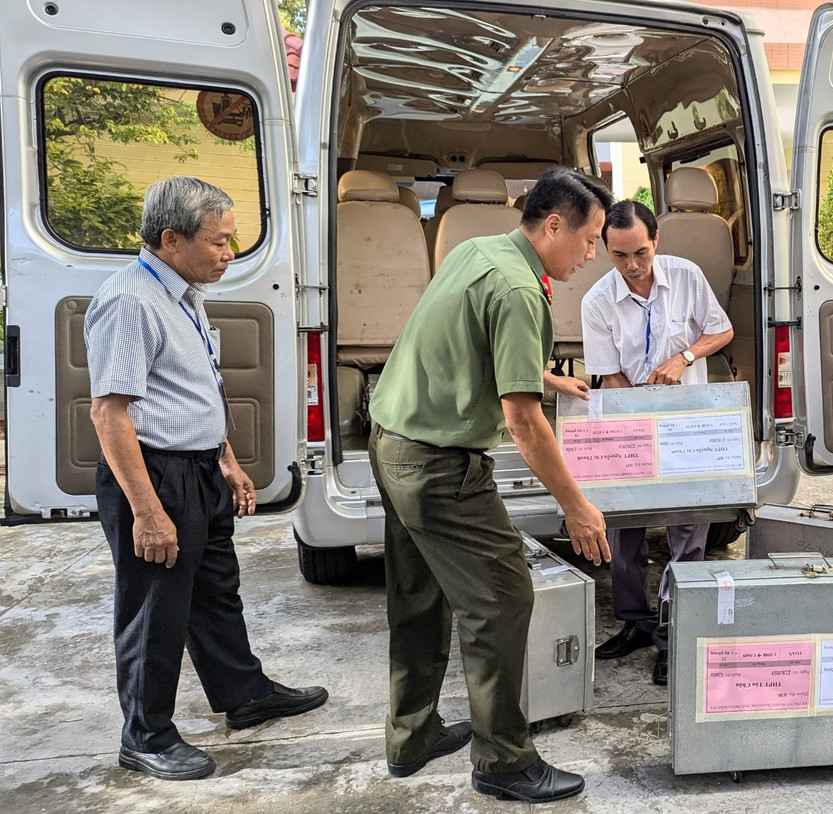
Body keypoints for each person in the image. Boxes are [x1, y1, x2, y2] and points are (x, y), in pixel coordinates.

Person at [368, 166, 613, 804]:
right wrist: (577, 507)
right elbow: (523, 423)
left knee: (420, 597)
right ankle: (503, 760)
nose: (590, 256)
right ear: (553, 225)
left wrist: (546, 378)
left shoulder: (478, 250)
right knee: (502, 598)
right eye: (588, 241)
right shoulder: (520, 290)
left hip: (392, 442)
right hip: (440, 469)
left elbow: (473, 343)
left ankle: (412, 734)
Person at [86, 177, 328, 782]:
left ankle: (244, 694)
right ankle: (146, 735)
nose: (229, 253)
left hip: (197, 468)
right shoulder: (129, 300)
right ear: (172, 238)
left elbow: (193, 387)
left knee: (215, 590)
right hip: (155, 475)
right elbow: (109, 412)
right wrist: (145, 510)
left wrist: (225, 458)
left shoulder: (184, 294)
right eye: (219, 242)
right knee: (155, 608)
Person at [579, 200, 734, 686]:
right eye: (620, 255)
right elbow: (609, 374)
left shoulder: (686, 276)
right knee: (622, 529)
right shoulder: (597, 301)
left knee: (687, 531)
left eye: (641, 253)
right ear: (606, 247)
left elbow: (721, 331)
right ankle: (636, 621)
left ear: (656, 242)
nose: (632, 266)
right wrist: (640, 420)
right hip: (630, 426)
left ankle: (673, 630)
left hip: (688, 424)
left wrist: (684, 357)